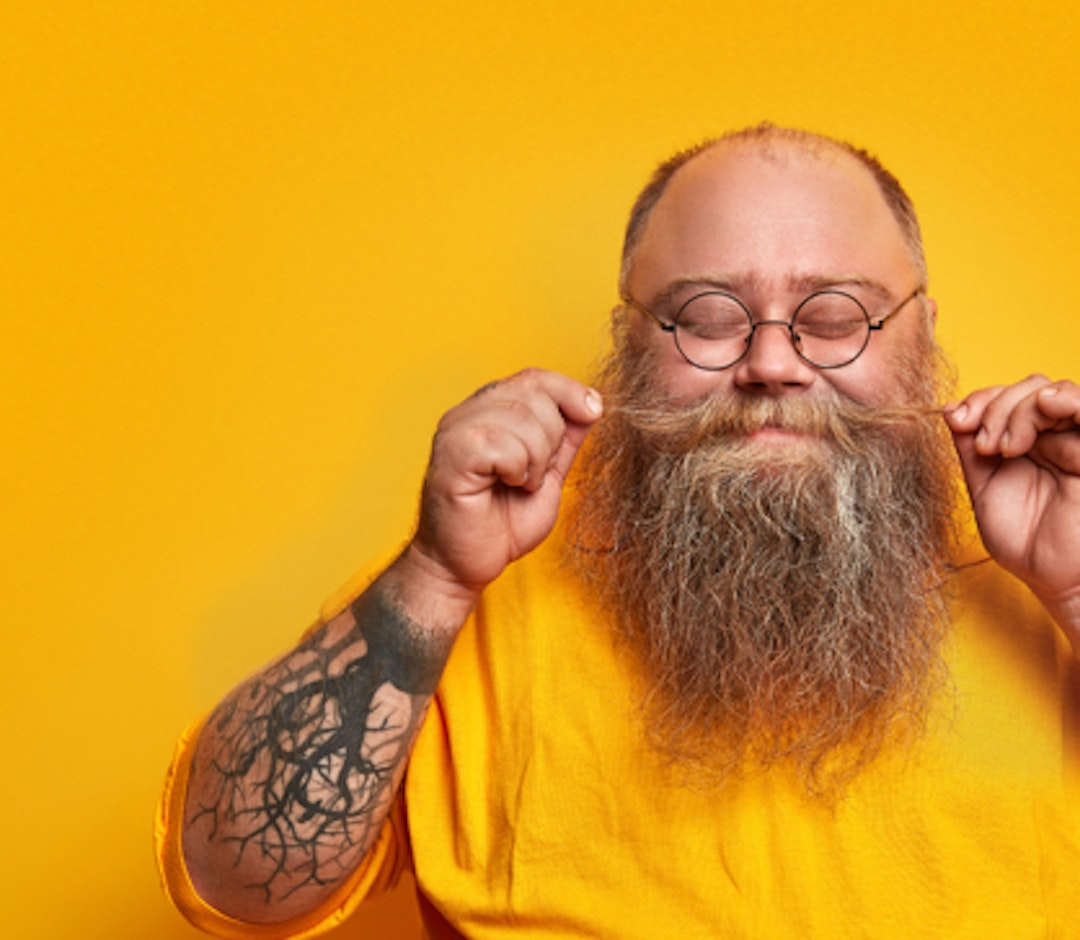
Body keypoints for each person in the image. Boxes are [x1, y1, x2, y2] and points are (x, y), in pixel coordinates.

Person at [157, 124, 1080, 938]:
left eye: (834, 317)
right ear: (630, 340)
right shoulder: (473, 591)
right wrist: (435, 577)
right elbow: (239, 885)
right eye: (707, 318)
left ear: (921, 334)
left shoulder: (1045, 573)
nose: (769, 363)